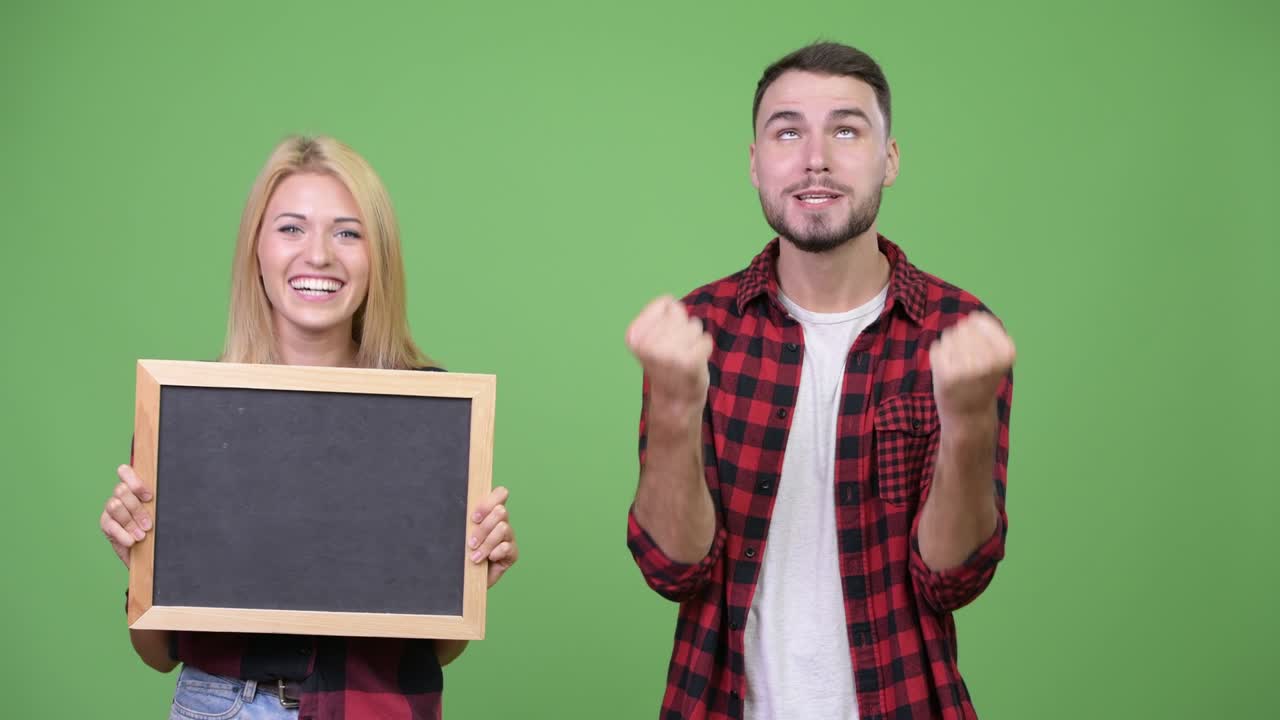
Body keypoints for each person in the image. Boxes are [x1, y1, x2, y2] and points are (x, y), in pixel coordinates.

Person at [625, 42, 1016, 719]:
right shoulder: (700, 329)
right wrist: (675, 410)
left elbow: (952, 579)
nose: (816, 158)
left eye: (845, 129)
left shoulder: (956, 331)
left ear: (889, 159)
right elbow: (673, 569)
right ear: (755, 163)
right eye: (787, 131)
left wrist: (970, 422)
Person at [99, 136, 518, 720]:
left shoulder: (430, 413)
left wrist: (469, 580)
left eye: (348, 232)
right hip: (223, 707)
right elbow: (157, 653)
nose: (318, 255)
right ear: (256, 250)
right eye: (291, 228)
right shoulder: (191, 412)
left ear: (380, 258)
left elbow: (436, 649)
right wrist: (139, 560)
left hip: (381, 708)